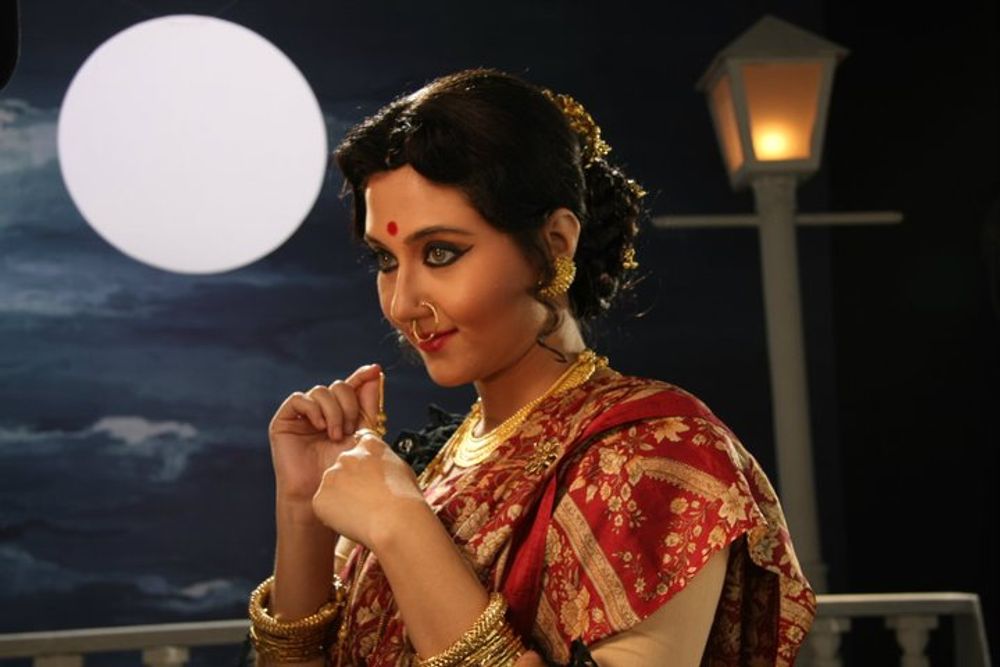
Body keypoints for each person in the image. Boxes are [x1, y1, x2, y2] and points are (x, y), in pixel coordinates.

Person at [247, 68, 816, 666]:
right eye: (386, 261)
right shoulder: (432, 464)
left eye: (440, 253)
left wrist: (401, 527)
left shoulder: (658, 455)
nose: (403, 303)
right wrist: (302, 510)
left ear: (555, 244)